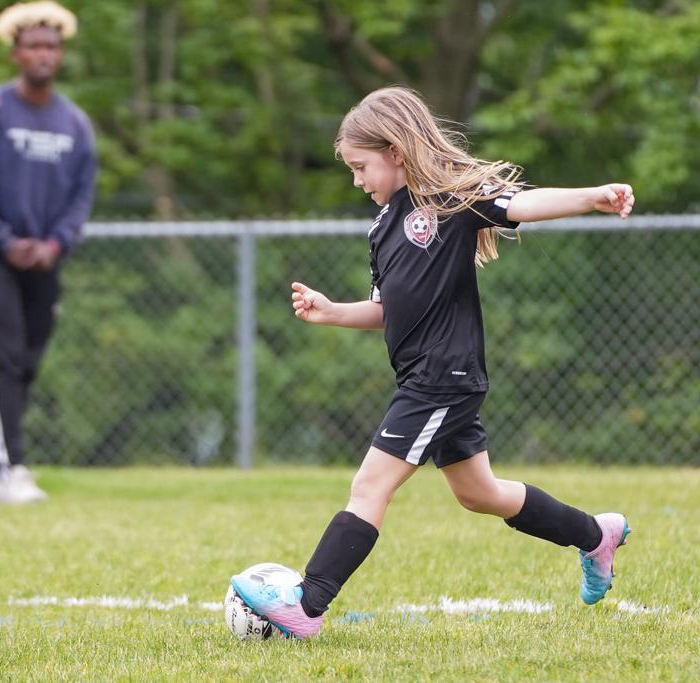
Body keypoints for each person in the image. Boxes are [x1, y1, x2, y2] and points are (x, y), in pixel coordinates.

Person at [230, 86, 634, 639]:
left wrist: (592, 197)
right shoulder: (381, 228)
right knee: (480, 494)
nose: (357, 181)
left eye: (361, 167)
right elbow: (386, 310)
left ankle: (309, 602)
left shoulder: (451, 198)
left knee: (370, 486)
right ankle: (595, 535)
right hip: (427, 378)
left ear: (395, 152)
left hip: (442, 378)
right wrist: (333, 312)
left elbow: (521, 204)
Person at [0, 1, 96, 505]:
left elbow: (81, 195)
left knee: (26, 360)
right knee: (2, 358)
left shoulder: (74, 124)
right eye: (33, 46)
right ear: (16, 54)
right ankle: (10, 471)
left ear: (61, 54)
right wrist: (5, 240)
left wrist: (54, 244)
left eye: (51, 46)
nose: (43, 54)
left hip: (44, 258)